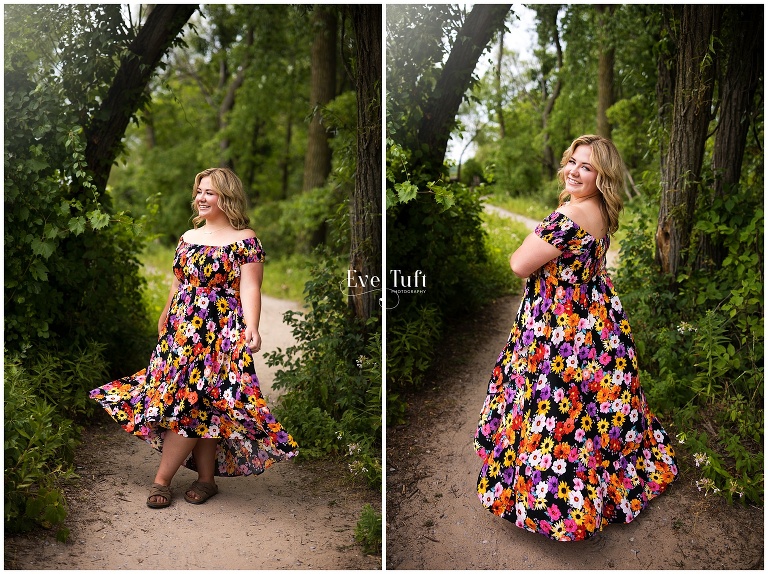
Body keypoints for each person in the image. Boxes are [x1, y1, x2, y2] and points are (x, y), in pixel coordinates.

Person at [473, 135, 678, 541]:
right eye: (572, 161)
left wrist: (553, 220)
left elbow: (518, 263)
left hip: (561, 327)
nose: (573, 170)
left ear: (602, 177)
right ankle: (610, 485)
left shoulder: (568, 216)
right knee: (593, 411)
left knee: (556, 412)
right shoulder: (600, 210)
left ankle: (559, 503)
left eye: (586, 167)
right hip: (594, 320)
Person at [90, 167, 298, 508]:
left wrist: (253, 326)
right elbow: (177, 282)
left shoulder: (245, 238)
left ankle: (161, 480)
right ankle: (206, 479)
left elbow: (250, 286)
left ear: (226, 198)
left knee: (197, 400)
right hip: (182, 330)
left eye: (210, 192)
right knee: (197, 402)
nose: (201, 197)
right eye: (199, 191)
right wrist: (164, 314)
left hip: (220, 332)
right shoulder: (188, 237)